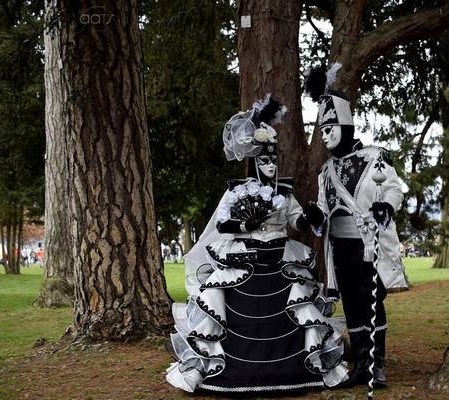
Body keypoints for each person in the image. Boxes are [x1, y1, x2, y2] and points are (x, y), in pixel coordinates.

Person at [165, 95, 348, 395]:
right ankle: (206, 367)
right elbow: (223, 225)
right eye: (264, 160)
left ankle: (301, 370)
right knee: (216, 299)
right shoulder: (237, 192)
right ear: (254, 162)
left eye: (273, 159)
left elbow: (299, 222)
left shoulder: (286, 194)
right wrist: (245, 225)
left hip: (280, 263)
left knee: (300, 300)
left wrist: (312, 216)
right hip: (245, 263)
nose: (270, 165)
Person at [302, 63, 410, 388]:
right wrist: (317, 218)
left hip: (368, 245)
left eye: (331, 126)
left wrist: (384, 207)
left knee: (372, 302)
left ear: (346, 124)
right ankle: (361, 365)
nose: (326, 134)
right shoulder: (326, 172)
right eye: (322, 129)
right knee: (352, 306)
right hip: (340, 250)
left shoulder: (375, 157)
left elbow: (394, 190)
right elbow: (324, 210)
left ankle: (377, 368)